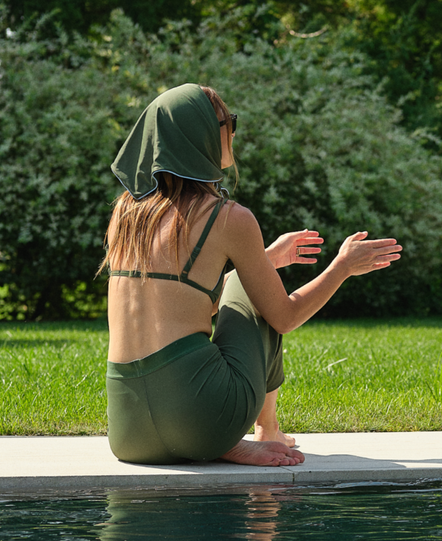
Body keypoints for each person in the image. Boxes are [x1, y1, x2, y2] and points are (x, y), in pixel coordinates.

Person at [102, 83, 402, 465]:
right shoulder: (228, 218)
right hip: (205, 422)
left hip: (129, 435)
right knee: (257, 289)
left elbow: (184, 303)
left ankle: (247, 435)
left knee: (252, 279)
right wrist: (341, 267)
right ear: (205, 134)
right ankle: (266, 428)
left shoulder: (125, 217)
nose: (232, 131)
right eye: (229, 122)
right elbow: (285, 315)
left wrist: (266, 258)